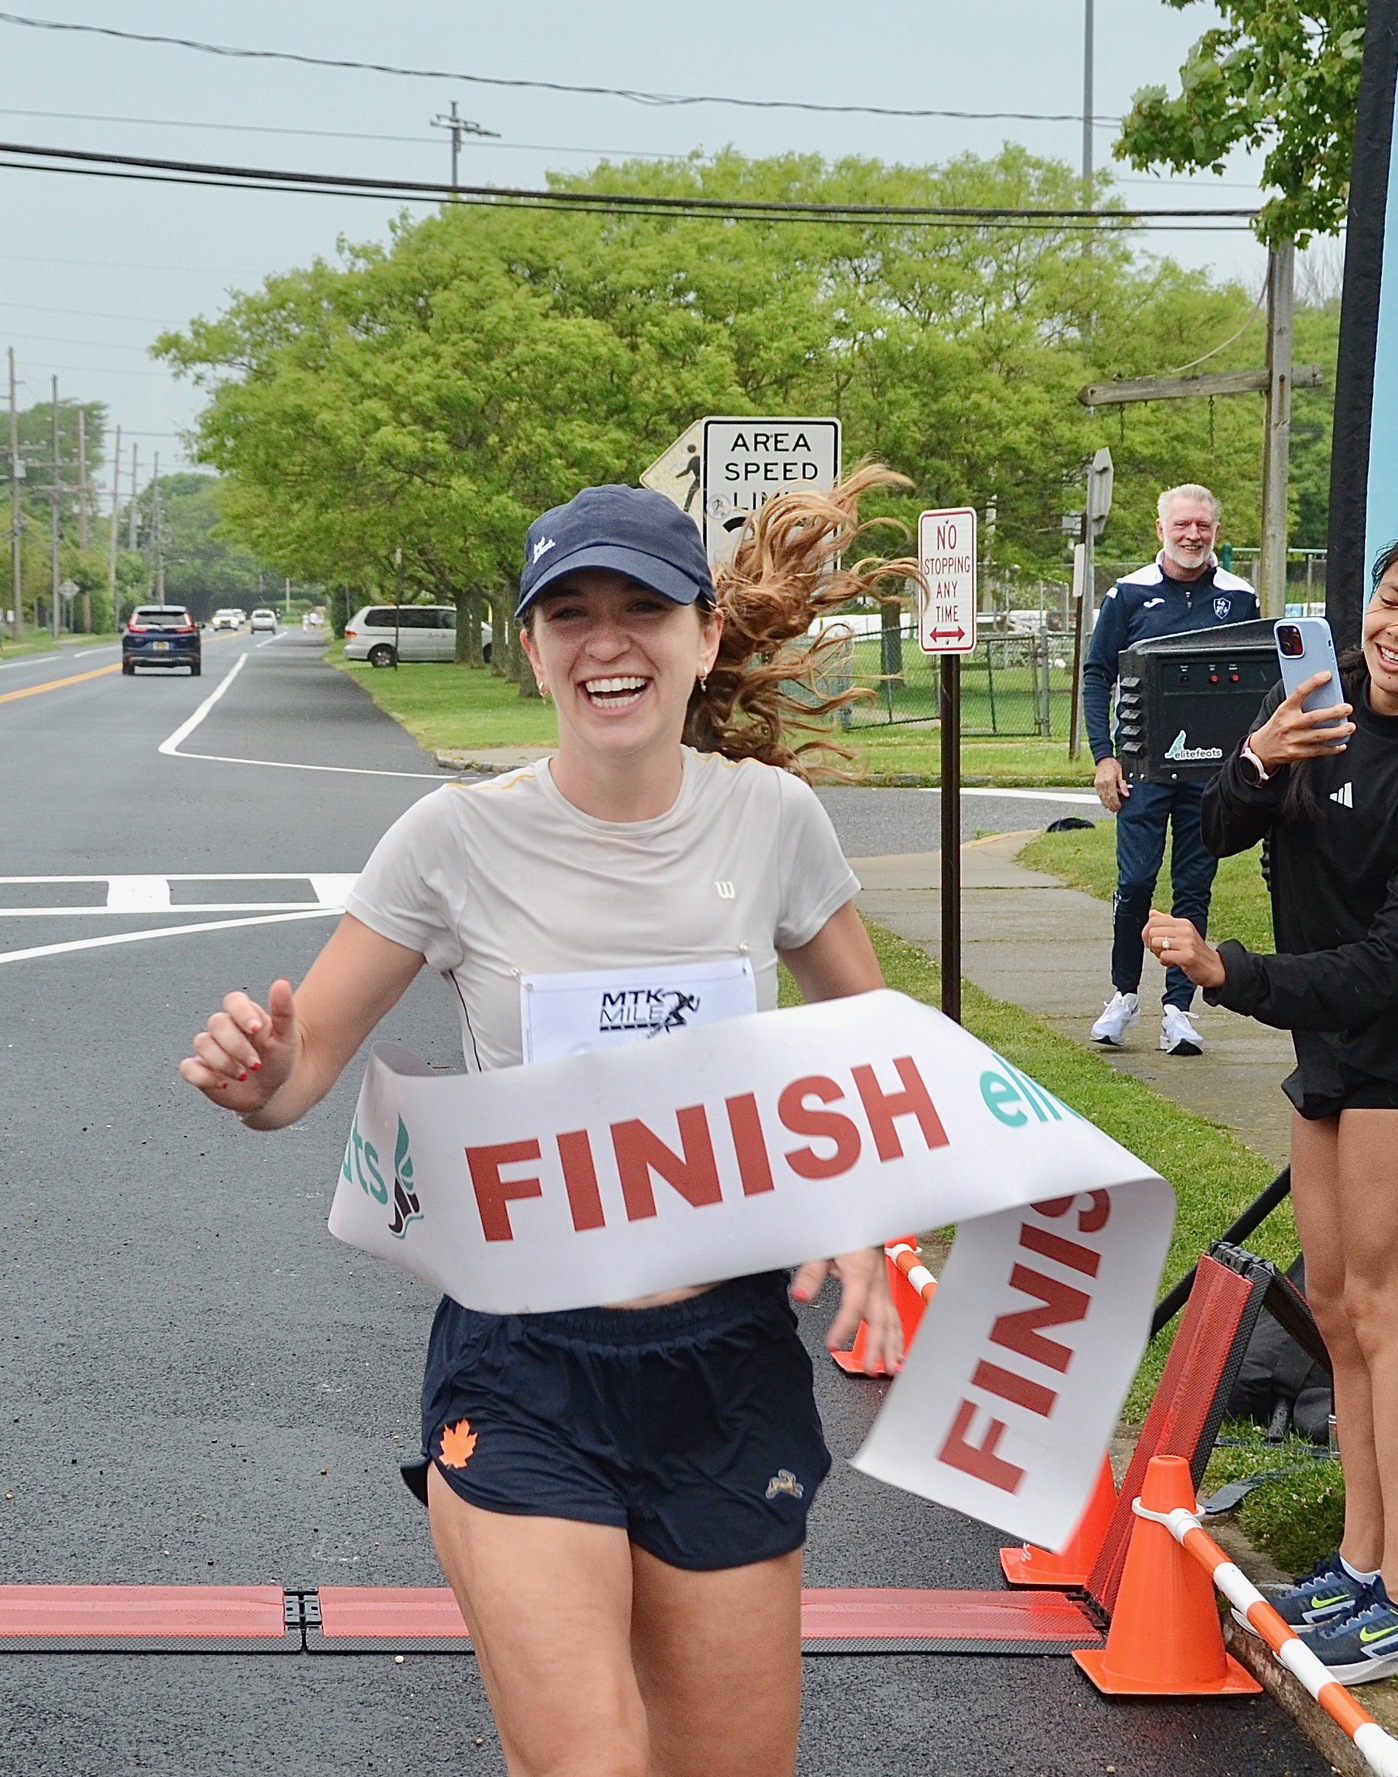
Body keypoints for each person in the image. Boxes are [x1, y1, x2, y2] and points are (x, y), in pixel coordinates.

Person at [181, 475, 908, 1777]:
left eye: (641, 606)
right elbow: (303, 1072)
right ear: (532, 647)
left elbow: (879, 1051)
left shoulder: (772, 820)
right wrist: (263, 1078)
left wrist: (865, 1213)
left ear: (700, 635)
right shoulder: (453, 839)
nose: (606, 639)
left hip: (726, 1363)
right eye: (569, 611)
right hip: (524, 1368)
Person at [1143, 515, 1398, 1684]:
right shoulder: (1322, 700)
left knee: (1392, 1312)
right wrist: (1261, 756)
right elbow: (1224, 827)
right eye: (1392, 598)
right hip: (1327, 1051)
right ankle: (1358, 1561)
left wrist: (1234, 975)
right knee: (1339, 1309)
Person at [1083, 484, 1259, 1055]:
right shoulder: (1128, 595)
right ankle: (1123, 993)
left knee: (1193, 888)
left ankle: (1177, 1010)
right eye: (1182, 525)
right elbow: (1095, 676)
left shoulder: (1240, 598)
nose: (1192, 535)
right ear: (1161, 529)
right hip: (1143, 772)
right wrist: (1103, 755)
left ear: (1215, 531)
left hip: (1211, 777)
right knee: (1135, 883)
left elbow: (1259, 681)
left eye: (1202, 526)